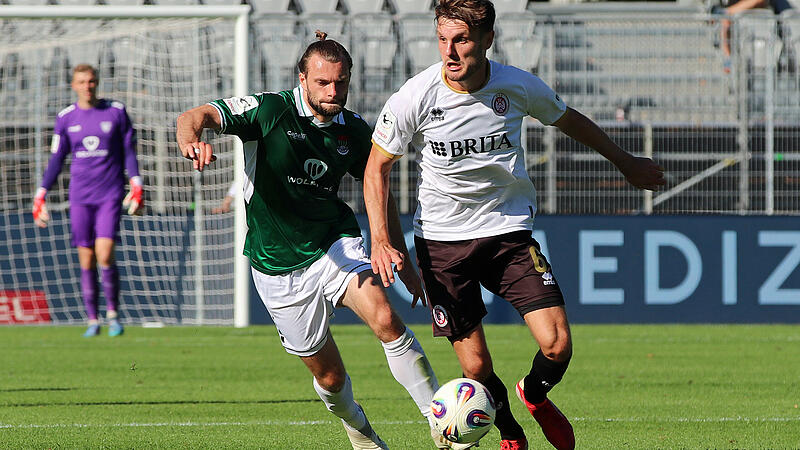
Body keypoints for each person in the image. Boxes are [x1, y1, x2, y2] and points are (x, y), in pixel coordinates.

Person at [363, 2, 666, 450]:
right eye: (443, 40)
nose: (450, 52)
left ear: (487, 40)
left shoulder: (517, 85)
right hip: (443, 244)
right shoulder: (415, 96)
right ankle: (510, 432)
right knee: (475, 366)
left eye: (461, 40)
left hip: (507, 231)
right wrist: (382, 240)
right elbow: (376, 168)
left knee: (557, 344)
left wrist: (625, 163)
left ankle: (534, 394)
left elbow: (570, 120)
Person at [176, 32, 464, 450]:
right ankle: (359, 430)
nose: (333, 92)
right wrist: (191, 140)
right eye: (323, 83)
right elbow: (196, 114)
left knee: (386, 318)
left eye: (341, 82)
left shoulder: (354, 131)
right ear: (303, 80)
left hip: (334, 242)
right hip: (276, 263)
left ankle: (442, 423)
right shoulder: (270, 110)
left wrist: (396, 253)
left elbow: (379, 191)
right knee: (330, 377)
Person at [33, 64, 143, 338]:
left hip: (110, 193)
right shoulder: (66, 117)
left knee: (104, 253)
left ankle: (113, 315)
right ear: (74, 85)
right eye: (82, 81)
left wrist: (136, 181)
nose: (87, 86)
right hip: (80, 196)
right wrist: (42, 192)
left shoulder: (116, 111)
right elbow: (57, 158)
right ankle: (93, 319)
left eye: (91, 81)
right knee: (86, 257)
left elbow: (128, 150)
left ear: (97, 82)